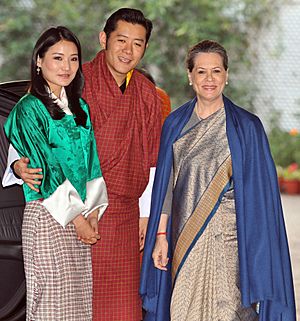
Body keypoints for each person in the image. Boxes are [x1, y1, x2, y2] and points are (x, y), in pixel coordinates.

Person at [3, 8, 161, 321]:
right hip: (63, 212)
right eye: (121, 40)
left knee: (110, 308)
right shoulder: (68, 86)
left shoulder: (140, 94)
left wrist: (145, 213)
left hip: (112, 215)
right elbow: (33, 148)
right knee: (58, 305)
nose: (128, 51)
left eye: (138, 44)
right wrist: (18, 166)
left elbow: (149, 156)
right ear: (104, 39)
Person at [140, 40, 296, 321]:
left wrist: (259, 257)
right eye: (201, 72)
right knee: (182, 310)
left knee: (227, 312)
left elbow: (262, 201)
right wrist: (160, 237)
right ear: (190, 76)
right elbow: (165, 189)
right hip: (184, 241)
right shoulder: (175, 124)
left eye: (216, 71)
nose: (209, 79)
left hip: (230, 244)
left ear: (227, 75)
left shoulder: (247, 127)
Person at [3, 26, 108, 320]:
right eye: (58, 58)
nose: (66, 67)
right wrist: (78, 219)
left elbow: (92, 164)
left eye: (73, 59)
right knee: (51, 304)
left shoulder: (79, 107)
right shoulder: (29, 108)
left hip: (80, 216)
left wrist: (94, 214)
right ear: (39, 60)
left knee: (77, 305)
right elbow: (45, 168)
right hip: (50, 213)